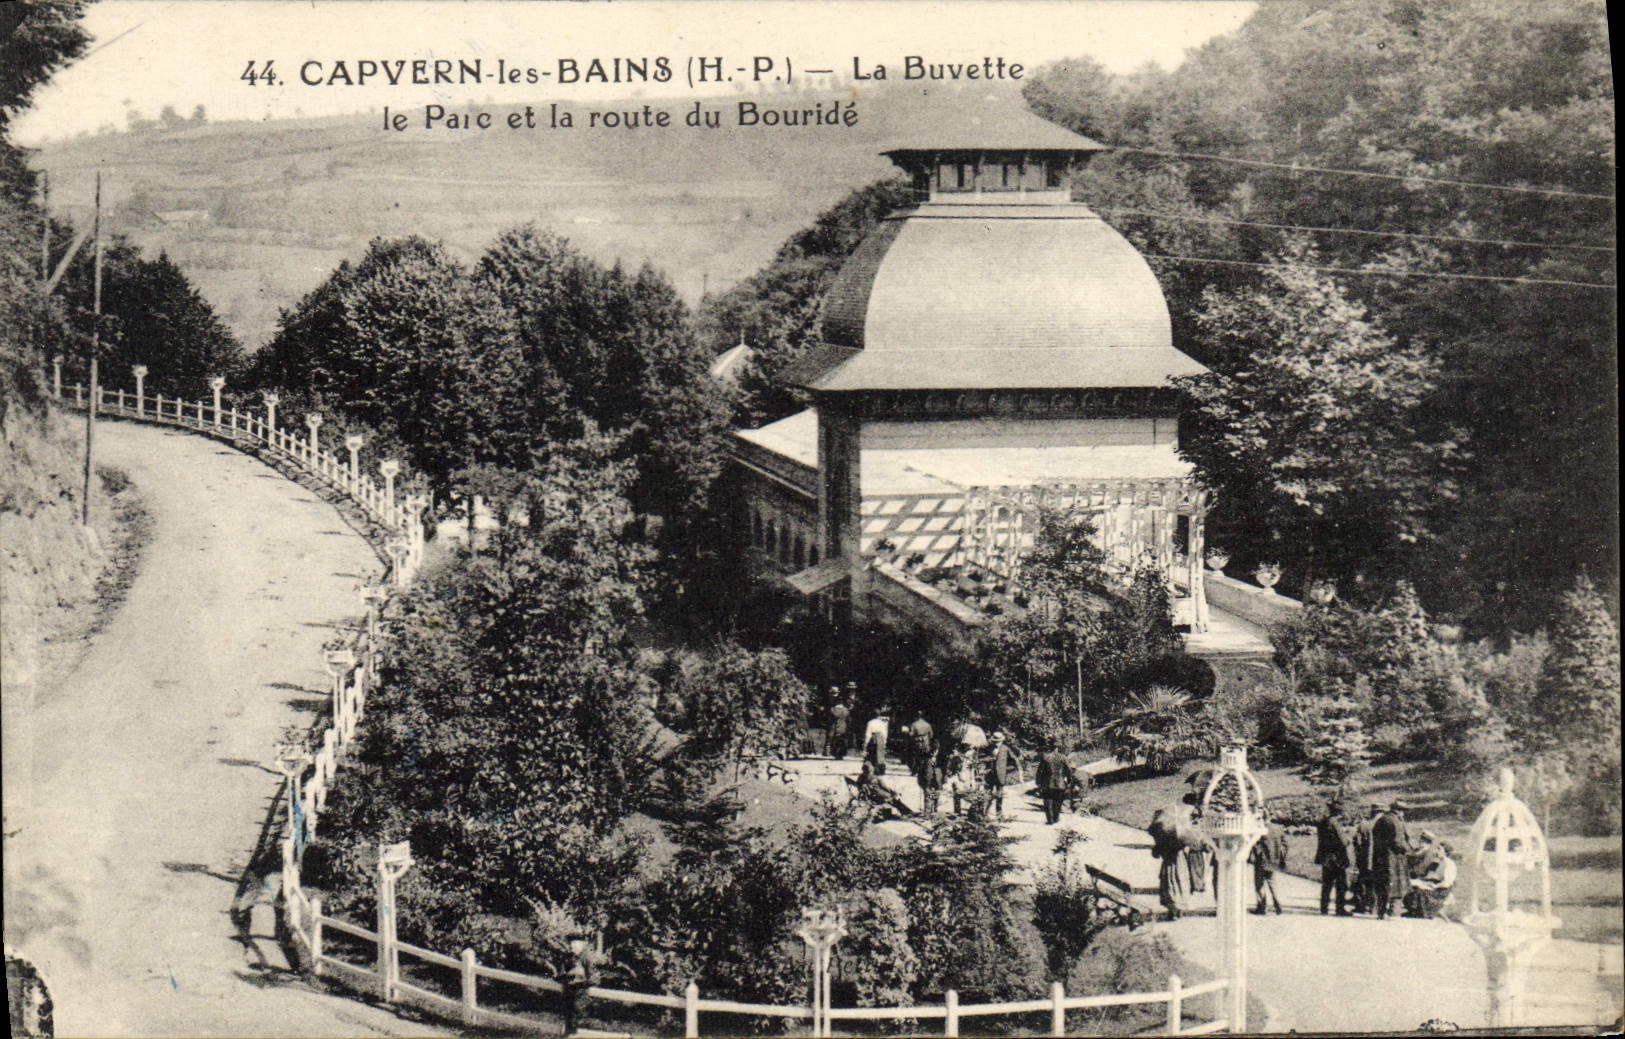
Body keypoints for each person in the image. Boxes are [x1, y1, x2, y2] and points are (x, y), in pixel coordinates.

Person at [1150, 799, 1198, 920]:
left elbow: (1157, 851)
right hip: (1180, 863)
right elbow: (1189, 843)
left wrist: (1158, 849)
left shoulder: (1163, 836)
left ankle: (1173, 909)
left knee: (1170, 883)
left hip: (1168, 864)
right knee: (1180, 882)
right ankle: (1178, 908)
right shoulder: (1182, 837)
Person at [1369, 800, 1414, 920]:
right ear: (1399, 811)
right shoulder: (1395, 821)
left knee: (1382, 885)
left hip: (1380, 857)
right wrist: (1409, 850)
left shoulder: (1381, 819)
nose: (1403, 814)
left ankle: (1380, 911)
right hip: (1394, 859)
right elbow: (1398, 842)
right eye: (1403, 811)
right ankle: (1394, 912)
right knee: (1397, 886)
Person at [1315, 801, 1354, 916]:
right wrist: (1349, 839)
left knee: (1326, 884)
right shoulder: (1335, 823)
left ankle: (1324, 908)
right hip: (1337, 858)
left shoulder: (1322, 822)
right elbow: (1343, 841)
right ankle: (1340, 909)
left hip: (1325, 857)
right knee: (1341, 884)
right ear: (1339, 812)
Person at [1249, 807, 1288, 915]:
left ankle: (1262, 908)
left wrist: (1257, 854)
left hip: (1261, 861)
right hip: (1273, 861)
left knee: (1259, 884)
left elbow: (1254, 844)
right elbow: (1285, 845)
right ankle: (1278, 906)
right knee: (1272, 884)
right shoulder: (1278, 828)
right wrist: (1280, 857)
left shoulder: (1260, 829)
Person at [1406, 840, 1457, 919]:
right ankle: (1414, 910)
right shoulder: (1436, 862)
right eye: (1436, 849)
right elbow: (1429, 876)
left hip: (1440, 890)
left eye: (1439, 849)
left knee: (1420, 892)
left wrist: (1435, 886)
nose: (1436, 851)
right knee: (1411, 885)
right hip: (1432, 883)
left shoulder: (1449, 864)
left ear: (1445, 852)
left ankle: (1424, 913)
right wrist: (1423, 882)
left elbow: (1447, 882)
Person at [983, 731, 1023, 819]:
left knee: (999, 795)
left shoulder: (1005, 749)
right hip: (989, 775)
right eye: (995, 741)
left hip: (1000, 775)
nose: (997, 743)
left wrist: (1019, 770)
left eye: (999, 741)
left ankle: (999, 814)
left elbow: (1014, 759)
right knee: (987, 794)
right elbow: (982, 758)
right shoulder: (988, 748)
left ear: (1002, 741)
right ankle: (985, 813)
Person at [1351, 801, 1383, 914]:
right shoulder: (1384, 823)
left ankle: (1363, 906)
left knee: (1364, 881)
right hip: (1379, 858)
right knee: (1375, 883)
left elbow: (1356, 841)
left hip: (1365, 858)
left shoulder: (1365, 824)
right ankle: (1374, 907)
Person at [1035, 742, 1073, 825]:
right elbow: (1068, 770)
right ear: (1057, 748)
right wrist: (1069, 781)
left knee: (1048, 801)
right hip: (1060, 783)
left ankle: (1050, 820)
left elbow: (1040, 771)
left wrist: (1038, 782)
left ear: (1050, 748)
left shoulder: (1046, 758)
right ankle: (1056, 818)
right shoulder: (1063, 757)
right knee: (1058, 801)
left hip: (1047, 783)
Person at [826, 689, 850, 760]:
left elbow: (831, 716)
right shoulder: (845, 710)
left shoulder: (833, 710)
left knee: (834, 740)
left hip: (835, 726)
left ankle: (832, 753)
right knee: (842, 741)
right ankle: (840, 754)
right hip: (844, 726)